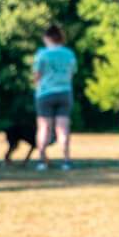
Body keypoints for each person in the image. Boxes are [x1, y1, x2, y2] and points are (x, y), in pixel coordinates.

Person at [33, 24, 77, 170]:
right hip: (65, 92)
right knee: (63, 128)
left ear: (47, 37)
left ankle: (41, 160)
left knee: (44, 127)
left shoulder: (42, 54)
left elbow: (37, 75)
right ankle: (66, 160)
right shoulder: (69, 54)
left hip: (45, 93)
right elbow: (71, 74)